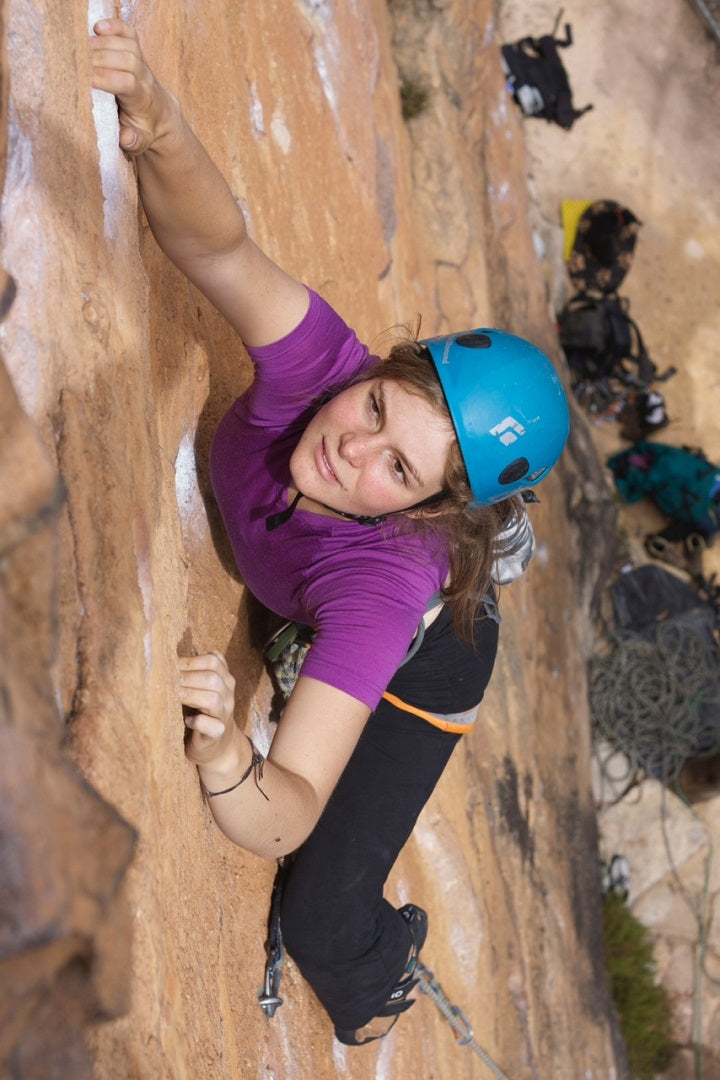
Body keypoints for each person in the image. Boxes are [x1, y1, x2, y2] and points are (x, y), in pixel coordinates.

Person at [91, 19, 570, 1046]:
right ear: (375, 373)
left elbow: (292, 805)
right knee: (291, 636)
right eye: (378, 410)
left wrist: (230, 756)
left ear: (426, 510)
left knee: (319, 914)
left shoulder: (382, 588)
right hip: (340, 592)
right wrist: (161, 123)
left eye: (398, 469)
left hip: (434, 659)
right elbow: (216, 243)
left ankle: (380, 977)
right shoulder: (324, 372)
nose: (353, 448)